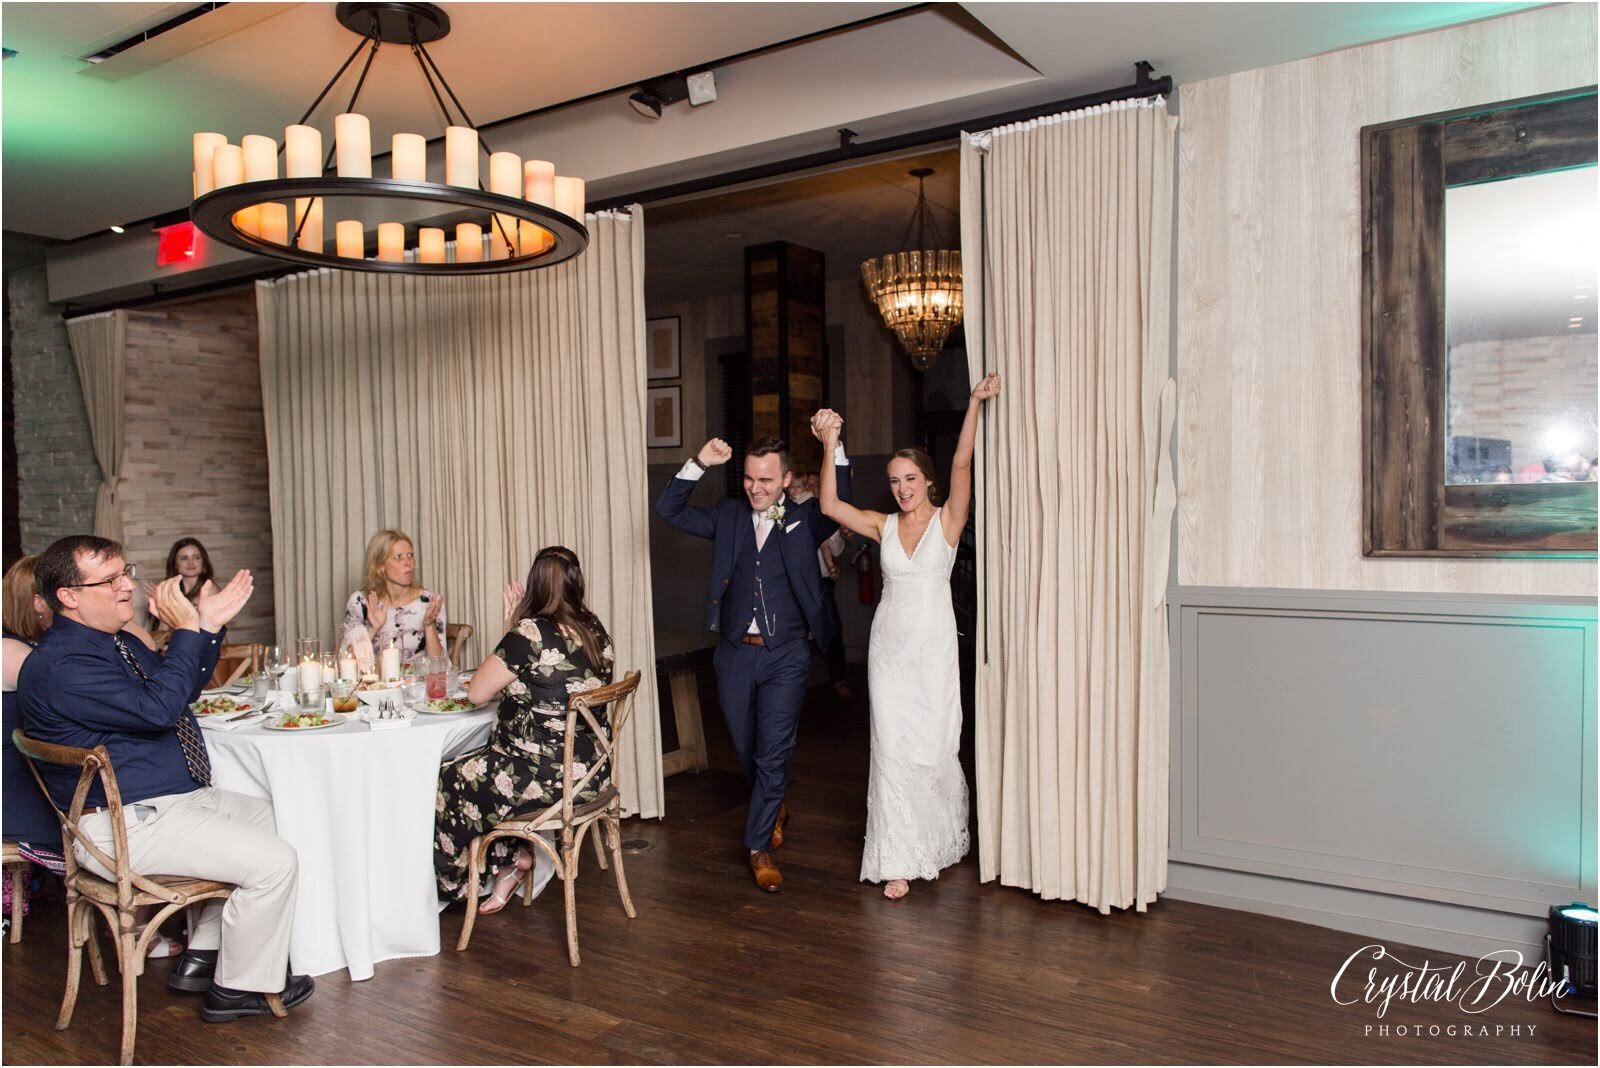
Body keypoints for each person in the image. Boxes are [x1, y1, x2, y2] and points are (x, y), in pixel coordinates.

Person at [17, 535, 312, 1022]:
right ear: (67, 595)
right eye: (108, 580)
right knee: (274, 863)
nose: (126, 586)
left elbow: (179, 690)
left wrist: (208, 626)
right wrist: (186, 629)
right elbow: (159, 708)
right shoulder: (62, 665)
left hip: (169, 801)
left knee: (291, 820)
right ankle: (237, 990)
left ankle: (203, 956)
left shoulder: (111, 644)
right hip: (123, 826)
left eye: (124, 572)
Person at [815, 372, 1002, 900]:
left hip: (934, 652)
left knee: (935, 747)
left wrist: (972, 404)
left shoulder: (948, 522)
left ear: (927, 480)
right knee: (893, 750)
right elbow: (830, 506)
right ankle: (897, 858)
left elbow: (963, 463)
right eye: (895, 481)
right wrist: (831, 445)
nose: (901, 489)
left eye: (910, 480)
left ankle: (937, 840)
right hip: (889, 653)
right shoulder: (882, 525)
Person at [657, 430, 853, 892]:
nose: (755, 488)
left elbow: (841, 498)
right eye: (748, 478)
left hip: (786, 653)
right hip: (733, 652)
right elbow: (669, 510)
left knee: (774, 750)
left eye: (765, 479)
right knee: (747, 747)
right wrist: (700, 462)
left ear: (786, 479)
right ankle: (774, 800)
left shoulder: (807, 518)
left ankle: (757, 846)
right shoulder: (727, 516)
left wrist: (834, 446)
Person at [433, 547, 613, 913]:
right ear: (577, 582)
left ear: (536, 585)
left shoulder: (530, 632)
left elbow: (478, 693)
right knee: (480, 767)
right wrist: (511, 629)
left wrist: (514, 626)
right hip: (591, 775)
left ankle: (457, 887)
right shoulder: (594, 628)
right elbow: (537, 676)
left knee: (450, 778)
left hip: (542, 779)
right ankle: (512, 860)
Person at [341, 529, 446, 670]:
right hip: (374, 687)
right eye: (398, 557)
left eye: (410, 555)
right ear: (380, 566)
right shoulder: (360, 602)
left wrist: (429, 625)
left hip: (418, 686)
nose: (408, 562)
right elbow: (346, 664)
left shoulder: (429, 601)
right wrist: (373, 629)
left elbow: (439, 666)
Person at [789, 473, 853, 700]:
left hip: (822, 583)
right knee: (795, 634)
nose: (811, 488)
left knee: (832, 630)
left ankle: (838, 679)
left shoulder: (827, 515)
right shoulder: (790, 513)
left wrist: (833, 530)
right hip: (793, 584)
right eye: (810, 484)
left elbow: (836, 550)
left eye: (816, 485)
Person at [142, 537, 215, 635]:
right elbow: (162, 632)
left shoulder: (210, 589)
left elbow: (196, 627)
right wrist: (161, 605)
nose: (191, 563)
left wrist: (166, 605)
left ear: (203, 562)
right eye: (184, 558)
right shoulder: (171, 589)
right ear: (175, 564)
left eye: (196, 557)